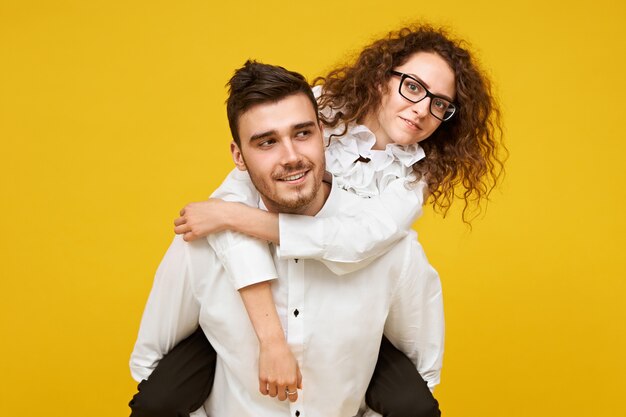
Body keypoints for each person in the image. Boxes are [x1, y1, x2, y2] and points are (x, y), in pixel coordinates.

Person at [129, 23, 504, 417]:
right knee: (160, 399)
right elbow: (234, 198)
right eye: (413, 87)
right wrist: (269, 337)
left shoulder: (410, 185)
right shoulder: (320, 109)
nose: (422, 109)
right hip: (245, 319)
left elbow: (356, 242)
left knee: (412, 404)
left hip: (349, 304)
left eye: (440, 104)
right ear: (380, 79)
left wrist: (236, 218)